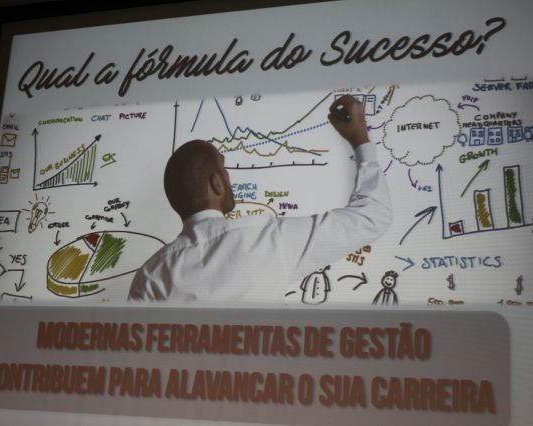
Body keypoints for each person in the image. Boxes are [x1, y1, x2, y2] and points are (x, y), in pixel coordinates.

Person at [128, 94, 392, 303]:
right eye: (224, 169)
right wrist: (360, 140)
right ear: (216, 184)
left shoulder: (150, 276)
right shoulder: (267, 239)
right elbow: (373, 217)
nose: (229, 178)